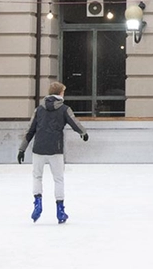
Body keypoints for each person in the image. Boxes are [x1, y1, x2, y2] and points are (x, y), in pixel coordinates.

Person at [17, 81, 88, 224]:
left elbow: (30, 130)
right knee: (58, 179)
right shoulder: (64, 109)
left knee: (37, 177)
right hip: (55, 149)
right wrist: (83, 133)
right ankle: (60, 210)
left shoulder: (39, 109)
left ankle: (37, 204)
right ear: (60, 93)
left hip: (39, 148)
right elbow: (74, 123)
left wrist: (22, 149)